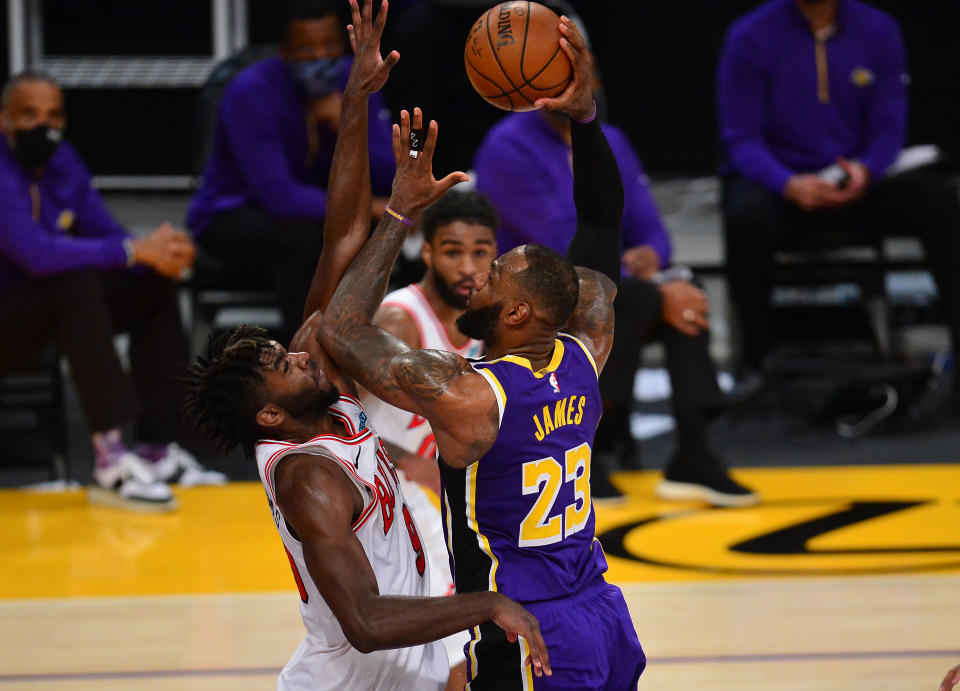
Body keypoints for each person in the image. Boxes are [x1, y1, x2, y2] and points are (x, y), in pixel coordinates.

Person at [181, 3, 549, 689]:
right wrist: (487, 604)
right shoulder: (308, 479)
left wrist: (357, 102)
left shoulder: (319, 391)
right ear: (268, 415)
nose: (296, 352)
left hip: (408, 659)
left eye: (281, 349)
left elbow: (341, 238)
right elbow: (367, 622)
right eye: (280, 365)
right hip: (353, 674)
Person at [319, 16, 644, 688]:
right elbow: (604, 222)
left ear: (519, 311)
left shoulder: (471, 395)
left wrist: (400, 213)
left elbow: (340, 327)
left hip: (527, 627)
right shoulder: (589, 347)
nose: (477, 276)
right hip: (605, 612)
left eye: (494, 271)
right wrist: (585, 118)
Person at [473, 64, 757, 507]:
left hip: (609, 279)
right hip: (533, 293)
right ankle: (589, 449)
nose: (564, 84)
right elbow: (559, 244)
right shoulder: (505, 147)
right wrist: (649, 282)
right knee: (648, 297)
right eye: (551, 77)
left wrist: (653, 258)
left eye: (573, 72)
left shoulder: (614, 140)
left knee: (682, 292)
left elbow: (654, 229)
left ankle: (694, 454)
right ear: (530, 89)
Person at [0, 71, 224, 511]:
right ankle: (110, 459)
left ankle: (156, 451)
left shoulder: (63, 162)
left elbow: (108, 233)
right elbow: (36, 255)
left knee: (149, 283)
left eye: (53, 114)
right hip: (11, 316)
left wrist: (158, 254)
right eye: (29, 114)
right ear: (4, 120)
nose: (43, 126)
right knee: (73, 282)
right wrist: (131, 249)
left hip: (46, 310)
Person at [718, 0, 960, 385]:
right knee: (745, 214)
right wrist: (788, 183)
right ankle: (757, 362)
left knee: (942, 201)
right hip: (783, 186)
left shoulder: (879, 29)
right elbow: (742, 138)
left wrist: (867, 169)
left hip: (857, 182)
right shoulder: (749, 35)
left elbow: (889, 125)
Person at [186, 0, 396, 344]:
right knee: (307, 232)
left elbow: (389, 173)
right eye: (306, 49)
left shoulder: (356, 77)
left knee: (389, 225)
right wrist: (363, 208)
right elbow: (279, 197)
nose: (319, 58)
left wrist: (350, 120)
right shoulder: (250, 92)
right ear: (284, 52)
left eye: (329, 46)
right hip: (232, 213)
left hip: (325, 209)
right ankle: (305, 353)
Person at [360, 189, 495, 684]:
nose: (467, 265)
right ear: (428, 251)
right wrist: (402, 459)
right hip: (395, 498)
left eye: (480, 251)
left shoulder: (489, 324)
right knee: (461, 658)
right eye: (453, 251)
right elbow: (335, 408)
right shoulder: (400, 320)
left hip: (448, 502)